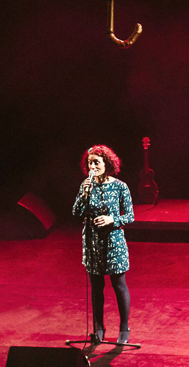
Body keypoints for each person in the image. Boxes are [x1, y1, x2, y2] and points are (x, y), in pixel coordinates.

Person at [72, 145, 134, 344]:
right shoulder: (86, 185)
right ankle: (99, 327)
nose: (93, 167)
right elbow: (76, 212)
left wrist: (112, 219)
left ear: (107, 163)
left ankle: (124, 328)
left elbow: (130, 216)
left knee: (119, 285)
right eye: (90, 163)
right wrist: (84, 194)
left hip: (114, 242)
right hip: (92, 242)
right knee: (96, 287)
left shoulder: (120, 186)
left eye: (96, 162)